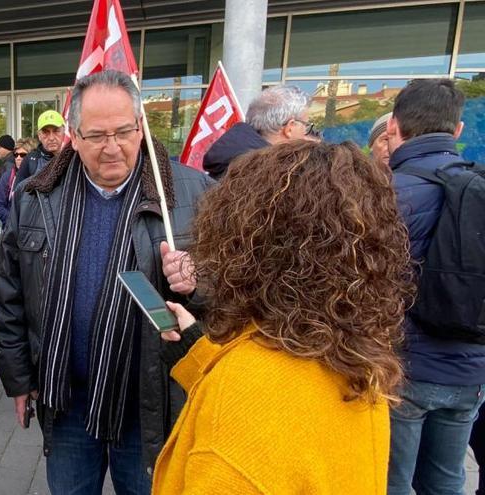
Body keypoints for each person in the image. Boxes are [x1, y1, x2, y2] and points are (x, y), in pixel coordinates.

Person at [0, 70, 212, 495]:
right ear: (73, 135)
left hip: (149, 404)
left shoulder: (194, 193)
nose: (113, 148)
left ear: (141, 127)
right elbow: (10, 297)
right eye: (96, 136)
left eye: (124, 132)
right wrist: (18, 378)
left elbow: (234, 293)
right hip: (66, 399)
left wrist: (197, 282)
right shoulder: (35, 197)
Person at [152, 140, 413, 493]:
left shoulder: (242, 395)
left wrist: (229, 378)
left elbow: (256, 413)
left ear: (244, 243)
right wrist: (198, 352)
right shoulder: (357, 359)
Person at [385, 78, 485, 495]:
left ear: (393, 125)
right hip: (470, 370)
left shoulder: (387, 195)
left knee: (393, 484)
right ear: (457, 130)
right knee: (447, 481)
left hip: (405, 366)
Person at [203, 85, 317, 180]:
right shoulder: (274, 176)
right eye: (306, 126)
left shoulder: (227, 159)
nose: (305, 135)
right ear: (290, 128)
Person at [13, 110, 65, 184]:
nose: (51, 138)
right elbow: (17, 193)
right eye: (45, 132)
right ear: (39, 135)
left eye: (56, 131)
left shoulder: (74, 158)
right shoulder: (30, 160)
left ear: (64, 133)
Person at [0, 137, 35, 227]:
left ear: (31, 157)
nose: (18, 158)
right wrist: (13, 222)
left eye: (23, 155)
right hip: (12, 232)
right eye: (16, 155)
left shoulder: (39, 176)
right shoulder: (8, 176)